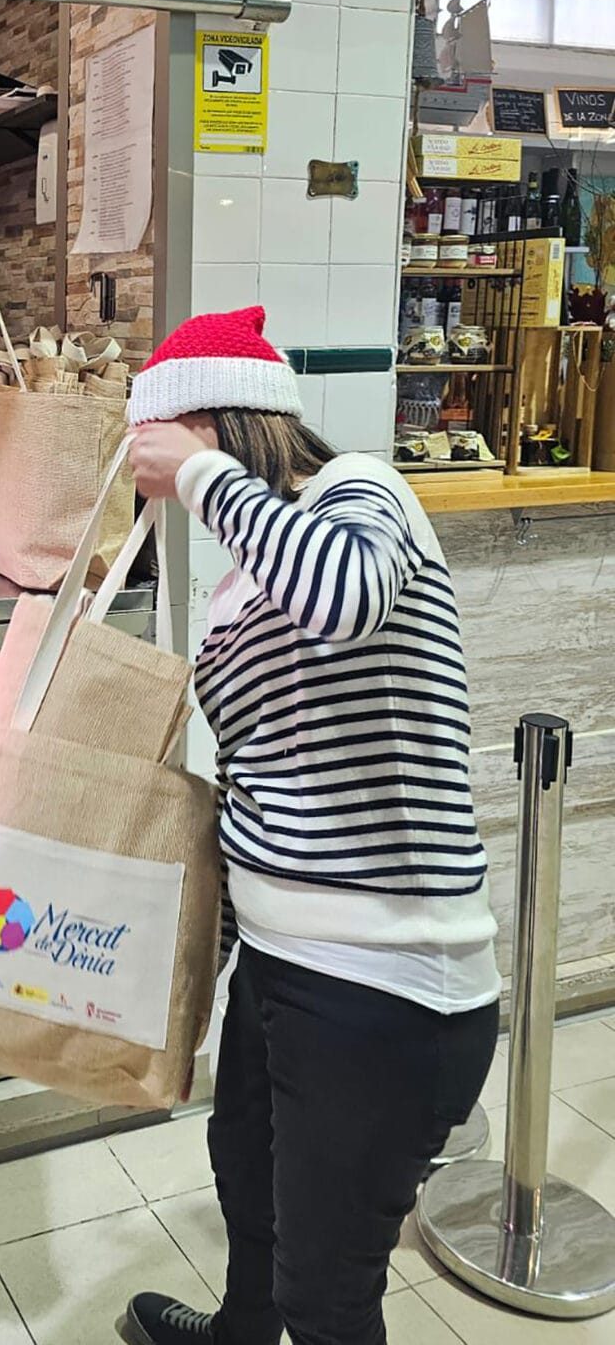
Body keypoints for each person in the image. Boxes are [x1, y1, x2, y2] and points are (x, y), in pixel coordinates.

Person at [121, 306, 500, 1345]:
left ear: (217, 423)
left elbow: (345, 599)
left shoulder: (363, 492)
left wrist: (197, 474)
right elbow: (266, 775)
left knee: (328, 1294)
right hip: (288, 969)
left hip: (386, 982)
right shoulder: (248, 575)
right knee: (247, 1176)